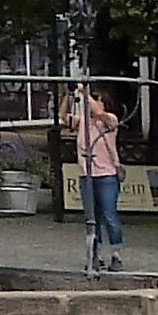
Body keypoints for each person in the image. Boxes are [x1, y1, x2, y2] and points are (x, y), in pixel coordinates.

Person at [66, 81, 125, 270]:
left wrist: (85, 91)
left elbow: (99, 113)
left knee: (109, 215)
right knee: (92, 218)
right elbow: (62, 117)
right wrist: (69, 95)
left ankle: (116, 254)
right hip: (87, 176)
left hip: (106, 175)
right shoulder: (83, 122)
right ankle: (94, 255)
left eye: (95, 101)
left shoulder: (109, 120)